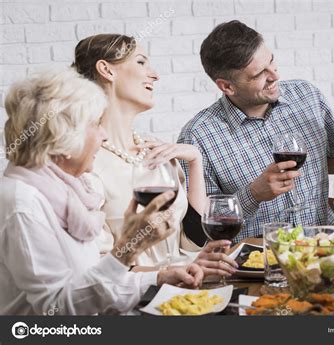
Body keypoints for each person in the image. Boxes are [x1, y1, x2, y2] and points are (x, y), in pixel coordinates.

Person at [0, 68, 203, 315]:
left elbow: (91, 284)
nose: (104, 136)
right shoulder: (23, 203)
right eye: (96, 124)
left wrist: (159, 279)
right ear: (62, 137)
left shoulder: (68, 190)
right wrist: (128, 249)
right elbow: (56, 308)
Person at [177, 20, 334, 242]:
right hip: (258, 262)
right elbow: (201, 230)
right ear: (227, 86)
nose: (274, 76)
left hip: (327, 247)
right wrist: (253, 194)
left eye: (272, 61)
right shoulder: (198, 137)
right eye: (259, 74)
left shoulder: (305, 96)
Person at [72, 34, 237, 276]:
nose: (155, 75)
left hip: (182, 294)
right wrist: (163, 275)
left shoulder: (157, 152)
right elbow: (95, 270)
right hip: (131, 304)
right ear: (106, 70)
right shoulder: (86, 165)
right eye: (141, 62)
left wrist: (195, 161)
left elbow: (193, 240)